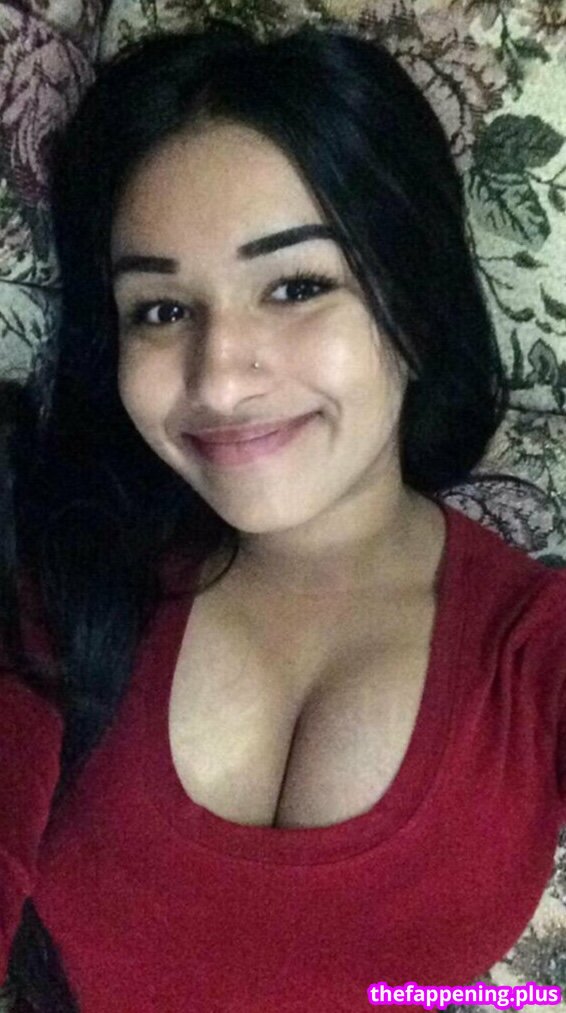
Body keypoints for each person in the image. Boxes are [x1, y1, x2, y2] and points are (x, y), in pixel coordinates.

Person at [0, 20, 565, 1013]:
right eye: (160, 309)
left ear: (414, 299)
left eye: (296, 286)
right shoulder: (57, 568)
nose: (219, 377)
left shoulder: (533, 646)